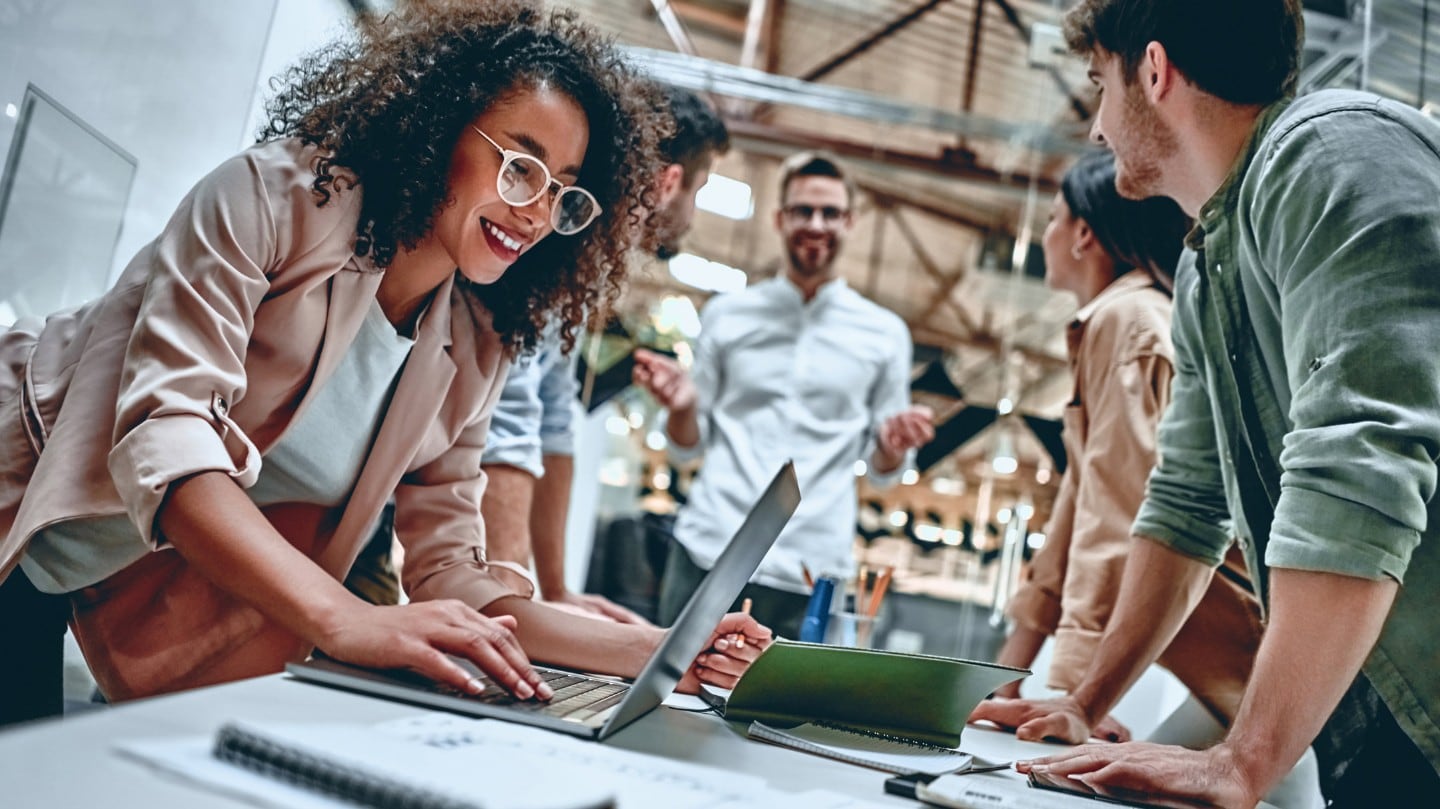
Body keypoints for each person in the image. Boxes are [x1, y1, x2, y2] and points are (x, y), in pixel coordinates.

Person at [0, 1, 768, 727]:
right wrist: (349, 618)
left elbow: (453, 575)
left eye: (564, 193)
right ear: (439, 128)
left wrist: (666, 650)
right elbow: (170, 442)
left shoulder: (473, 342)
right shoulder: (271, 199)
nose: (536, 212)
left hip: (115, 577)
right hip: (18, 508)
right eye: (521, 168)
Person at [986, 1, 1440, 806]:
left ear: (1153, 72)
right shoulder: (1205, 267)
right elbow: (1186, 502)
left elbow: (1358, 467)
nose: (1096, 127)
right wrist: (1084, 704)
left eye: (1101, 85)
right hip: (1380, 710)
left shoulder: (1335, 152)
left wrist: (1244, 759)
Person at [979, 149, 1266, 742]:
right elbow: (1074, 515)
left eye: (1054, 217)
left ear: (1085, 233)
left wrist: (1077, 695)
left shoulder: (1128, 322)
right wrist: (1004, 676)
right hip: (1211, 654)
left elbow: (1119, 512)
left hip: (1234, 647)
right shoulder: (1116, 321)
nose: (1046, 234)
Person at [453, 84, 731, 623]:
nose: (690, 214)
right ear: (669, 183)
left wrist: (555, 591)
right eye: (698, 192)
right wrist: (515, 611)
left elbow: (555, 417)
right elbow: (510, 415)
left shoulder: (590, 265)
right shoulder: (550, 240)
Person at [632, 151, 935, 640]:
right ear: (779, 218)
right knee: (670, 700)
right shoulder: (728, 315)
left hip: (813, 568)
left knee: (784, 714)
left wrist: (892, 446)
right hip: (711, 549)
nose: (816, 224)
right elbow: (687, 444)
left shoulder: (885, 334)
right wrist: (684, 407)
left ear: (850, 222)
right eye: (802, 211)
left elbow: (884, 473)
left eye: (831, 212)